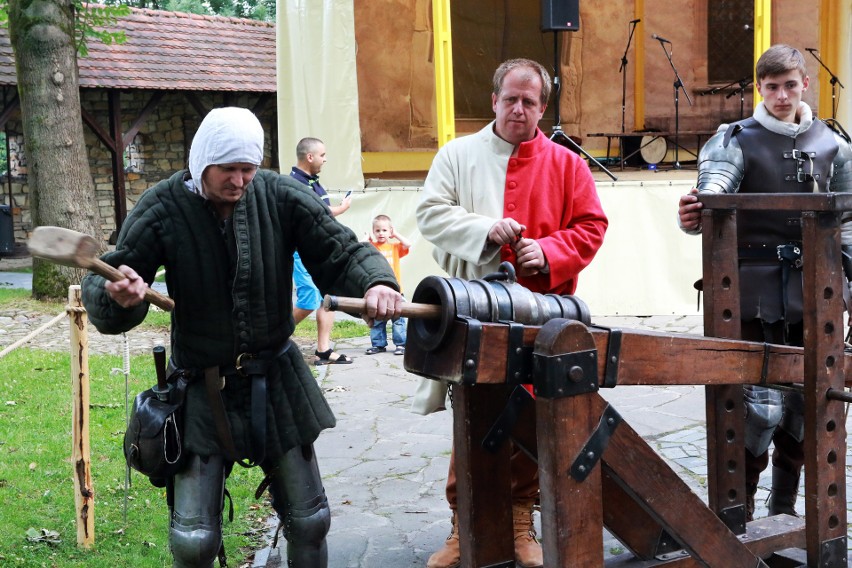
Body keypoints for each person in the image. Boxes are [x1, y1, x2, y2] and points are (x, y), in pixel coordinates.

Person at [81, 107, 404, 568]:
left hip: (276, 376)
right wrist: (120, 294)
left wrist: (377, 281)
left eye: (247, 169)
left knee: (310, 521)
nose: (238, 180)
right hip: (200, 383)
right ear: (201, 164)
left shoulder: (279, 194)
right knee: (193, 540)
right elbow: (116, 275)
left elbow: (340, 248)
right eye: (226, 170)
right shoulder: (162, 206)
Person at [415, 58, 608, 568]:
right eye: (511, 99)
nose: (519, 109)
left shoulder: (569, 166)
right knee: (472, 413)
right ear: (494, 100)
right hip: (472, 309)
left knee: (527, 415)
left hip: (541, 316)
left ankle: (522, 520)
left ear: (542, 107)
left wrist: (548, 252)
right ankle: (466, 524)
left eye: (530, 101)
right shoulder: (457, 155)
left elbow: (591, 227)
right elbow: (430, 213)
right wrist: (484, 231)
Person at [677, 44, 852, 521]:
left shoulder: (834, 145)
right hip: (748, 294)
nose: (780, 95)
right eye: (771, 86)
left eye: (789, 85)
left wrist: (848, 280)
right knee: (752, 411)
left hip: (816, 294)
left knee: (805, 407)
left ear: (804, 85)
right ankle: (739, 515)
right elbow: (710, 200)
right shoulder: (733, 138)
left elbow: (850, 220)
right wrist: (694, 213)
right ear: (759, 88)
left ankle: (785, 511)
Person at [290, 137, 354, 365]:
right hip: (301, 252)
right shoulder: (295, 184)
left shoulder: (312, 182)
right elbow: (316, 216)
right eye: (322, 155)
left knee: (328, 298)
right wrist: (342, 209)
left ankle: (323, 350)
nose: (325, 160)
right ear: (310, 157)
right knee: (308, 300)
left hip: (318, 252)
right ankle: (272, 339)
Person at [366, 214, 411, 355]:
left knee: (398, 320)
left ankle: (401, 344)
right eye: (377, 230)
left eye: (384, 230)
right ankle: (378, 345)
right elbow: (359, 247)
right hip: (378, 291)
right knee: (378, 319)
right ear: (373, 231)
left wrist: (395, 233)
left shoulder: (395, 248)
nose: (381, 233)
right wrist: (366, 238)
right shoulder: (371, 247)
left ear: (390, 231)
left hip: (396, 291)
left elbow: (408, 244)